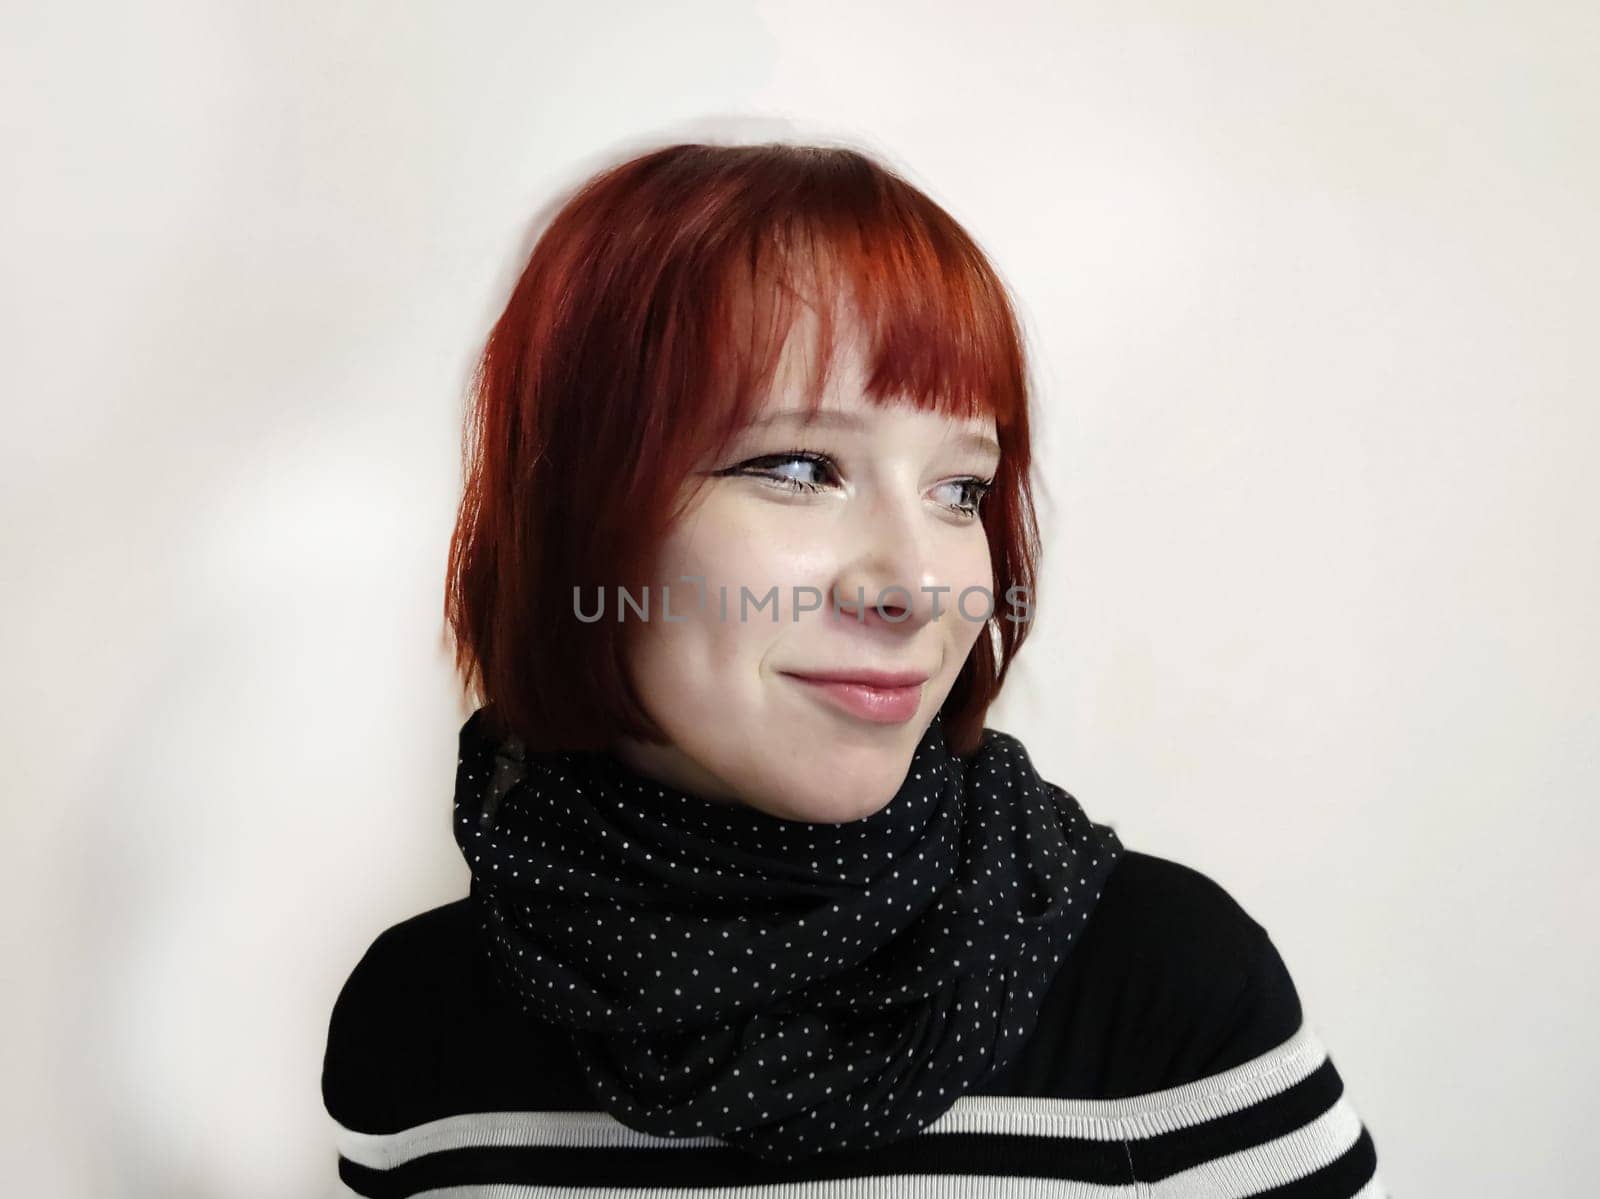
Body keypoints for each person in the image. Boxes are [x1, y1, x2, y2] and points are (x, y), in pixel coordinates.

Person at [321, 141, 1386, 1196]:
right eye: (796, 466)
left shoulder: (1162, 982)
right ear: (571, 520)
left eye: (961, 489)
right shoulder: (416, 1026)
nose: (921, 585)